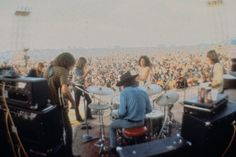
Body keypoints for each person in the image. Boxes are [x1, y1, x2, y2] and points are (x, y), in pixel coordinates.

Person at [109, 71, 152, 152]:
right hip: (141, 123)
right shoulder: (143, 92)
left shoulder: (124, 93)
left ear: (124, 84)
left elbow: (122, 112)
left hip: (129, 124)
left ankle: (113, 147)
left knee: (111, 126)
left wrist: (118, 114)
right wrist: (139, 113)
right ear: (133, 81)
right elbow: (149, 110)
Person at [43, 52, 77, 157]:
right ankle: (69, 154)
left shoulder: (49, 69)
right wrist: (73, 101)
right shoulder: (63, 70)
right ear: (67, 62)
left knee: (57, 131)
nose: (72, 67)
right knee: (68, 130)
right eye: (72, 64)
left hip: (48, 105)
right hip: (58, 105)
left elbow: (54, 83)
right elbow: (64, 91)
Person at [72, 57, 94, 121]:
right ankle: (78, 117)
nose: (85, 64)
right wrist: (86, 72)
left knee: (89, 100)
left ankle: (88, 115)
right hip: (77, 87)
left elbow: (83, 79)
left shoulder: (81, 68)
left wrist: (85, 84)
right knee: (77, 103)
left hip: (81, 86)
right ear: (81, 62)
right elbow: (80, 78)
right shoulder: (76, 69)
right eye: (84, 63)